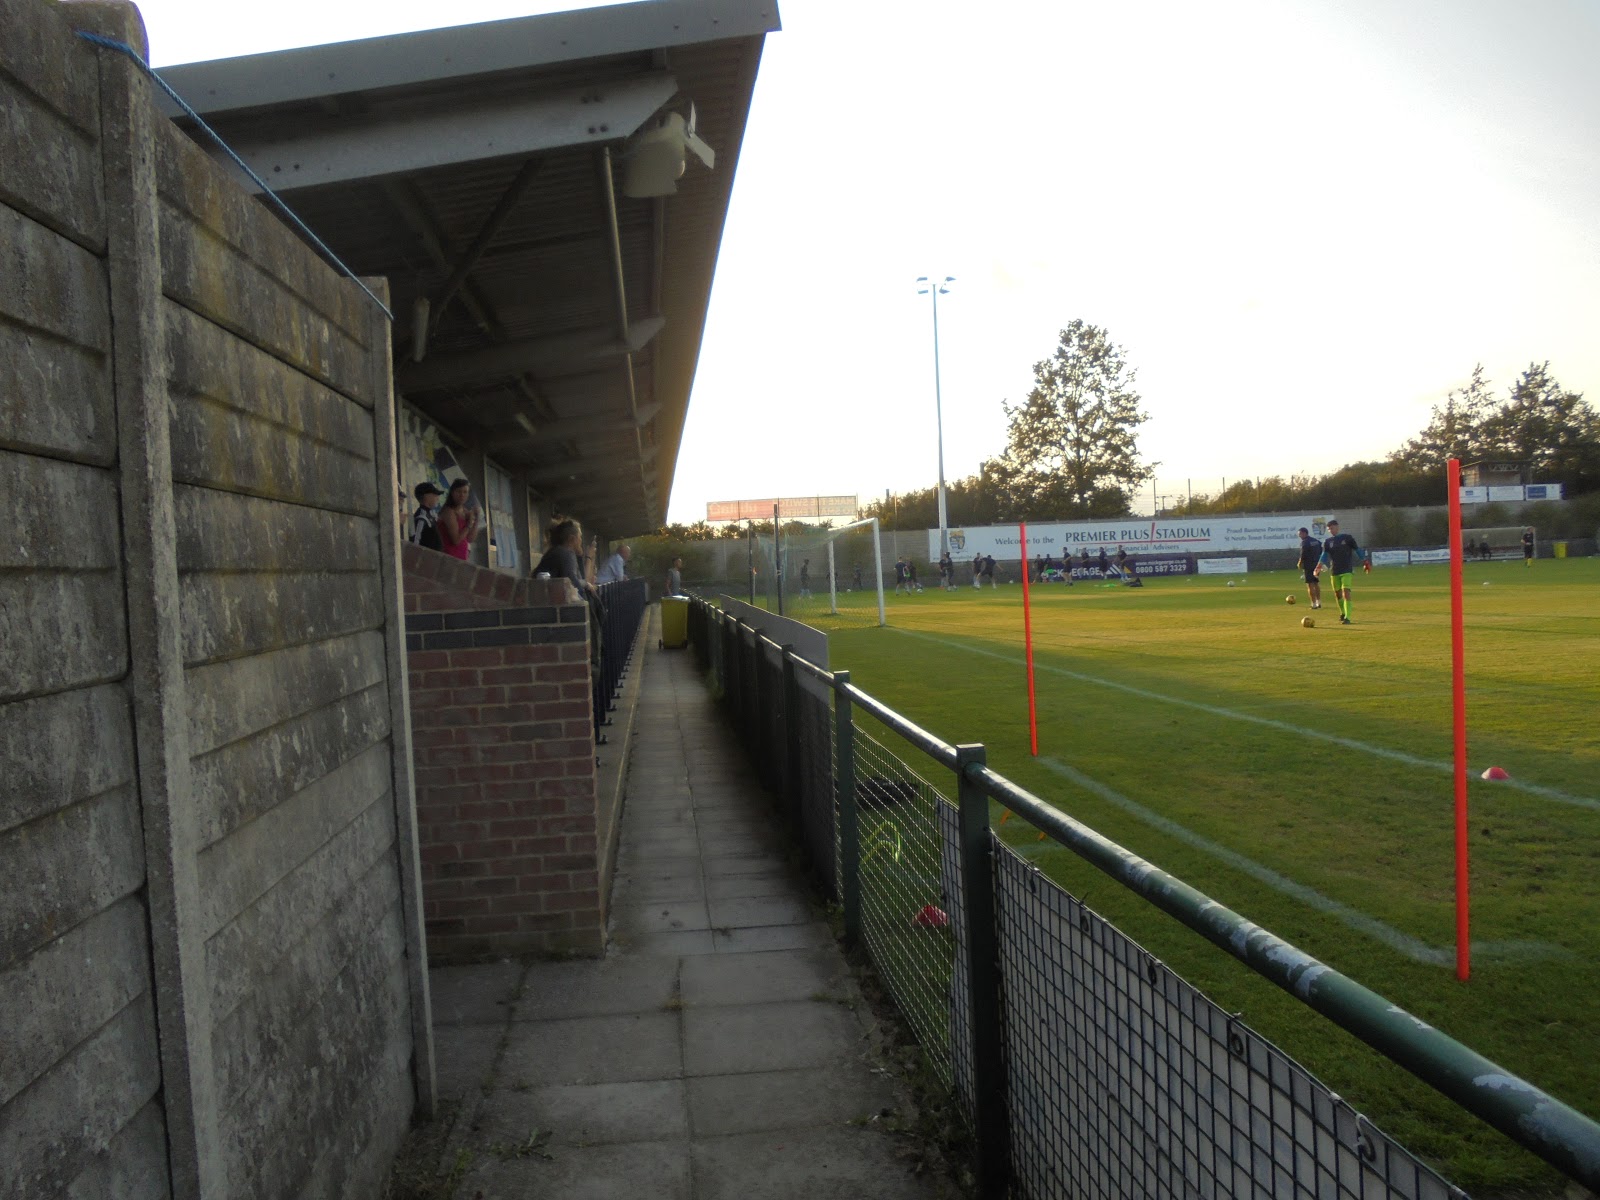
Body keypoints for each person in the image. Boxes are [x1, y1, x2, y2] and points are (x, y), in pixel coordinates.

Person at [1316, 518, 1369, 625]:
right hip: (1334, 571)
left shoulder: (1347, 538)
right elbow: (1324, 555)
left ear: (1337, 527)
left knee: (1346, 592)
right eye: (1329, 529)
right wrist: (1318, 566)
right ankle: (1342, 613)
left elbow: (1357, 550)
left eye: (1332, 528)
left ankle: (1348, 617)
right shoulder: (1327, 542)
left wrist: (1365, 561)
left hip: (1347, 570)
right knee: (1337, 594)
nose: (1331, 530)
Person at [436, 478, 479, 561]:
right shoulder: (448, 511)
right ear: (452, 493)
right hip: (448, 557)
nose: (462, 495)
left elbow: (470, 539)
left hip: (462, 558)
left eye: (465, 492)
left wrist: (476, 520)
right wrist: (468, 524)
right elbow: (456, 540)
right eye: (459, 491)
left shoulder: (465, 511)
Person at [409, 482, 443, 551]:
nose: (437, 498)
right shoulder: (421, 517)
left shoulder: (430, 515)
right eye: (435, 494)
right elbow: (416, 542)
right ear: (426, 496)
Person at [1296, 526, 1323, 608]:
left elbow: (1303, 554)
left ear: (1304, 533)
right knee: (1316, 583)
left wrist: (1300, 563)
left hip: (1308, 565)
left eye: (1300, 534)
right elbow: (1321, 550)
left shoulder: (1305, 542)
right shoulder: (1316, 541)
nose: (1299, 536)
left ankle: (1313, 604)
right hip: (1316, 565)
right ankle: (1319, 602)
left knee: (1310, 584)